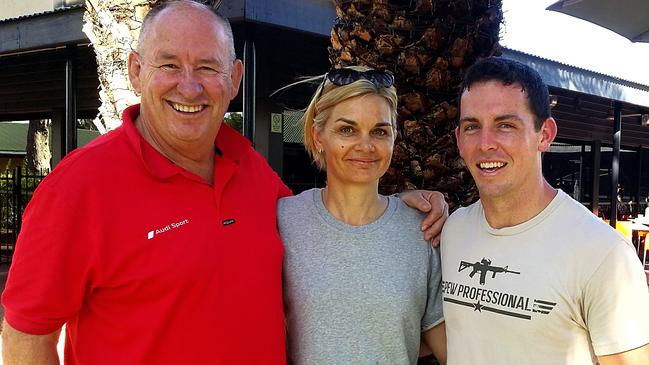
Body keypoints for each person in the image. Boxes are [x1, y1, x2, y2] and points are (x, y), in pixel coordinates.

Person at [1, 1, 448, 364]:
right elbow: (26, 335)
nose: (190, 87)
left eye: (209, 68)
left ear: (234, 79)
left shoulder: (250, 169)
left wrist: (394, 206)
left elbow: (329, 224)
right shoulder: (79, 187)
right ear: (137, 71)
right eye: (170, 64)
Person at [441, 57, 649, 364]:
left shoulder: (603, 253)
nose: (486, 143)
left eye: (506, 125)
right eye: (472, 126)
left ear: (545, 135)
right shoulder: (453, 230)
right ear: (459, 140)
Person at [278, 66, 447, 364]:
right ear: (319, 136)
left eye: (379, 131)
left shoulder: (420, 230)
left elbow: (449, 347)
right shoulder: (283, 220)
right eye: (347, 129)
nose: (366, 146)